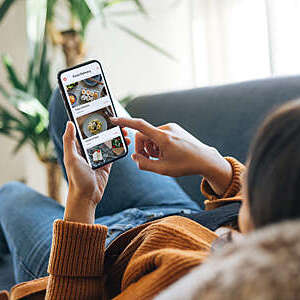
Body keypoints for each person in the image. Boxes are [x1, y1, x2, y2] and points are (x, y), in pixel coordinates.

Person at [0, 91, 299, 299]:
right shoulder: (279, 236)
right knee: (67, 99)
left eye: (256, 177)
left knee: (10, 193)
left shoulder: (199, 286)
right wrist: (212, 162)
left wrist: (82, 202)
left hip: (95, 256)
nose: (250, 183)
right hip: (177, 215)